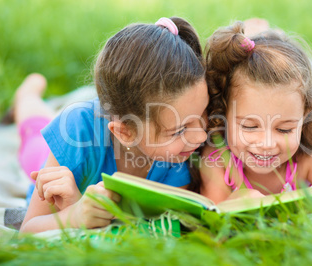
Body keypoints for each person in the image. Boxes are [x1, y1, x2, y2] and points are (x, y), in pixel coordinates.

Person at [20, 17, 208, 233]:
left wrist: (78, 204)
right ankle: (27, 94)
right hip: (59, 153)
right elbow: (28, 229)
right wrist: (75, 215)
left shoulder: (177, 155)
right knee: (33, 137)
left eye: (202, 114)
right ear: (125, 132)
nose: (201, 137)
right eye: (180, 130)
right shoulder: (77, 131)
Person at [198, 21, 312, 213]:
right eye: (250, 126)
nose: (267, 143)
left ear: (305, 118)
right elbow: (212, 216)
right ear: (223, 114)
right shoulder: (218, 159)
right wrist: (238, 203)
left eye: (284, 129)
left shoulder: (308, 159)